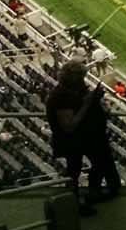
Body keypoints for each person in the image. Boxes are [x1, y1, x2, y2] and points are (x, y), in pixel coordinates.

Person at [47, 59, 118, 216]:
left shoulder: (73, 91)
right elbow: (69, 125)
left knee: (95, 165)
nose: (83, 81)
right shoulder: (60, 96)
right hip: (74, 141)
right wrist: (88, 103)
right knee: (74, 172)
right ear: (73, 79)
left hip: (86, 138)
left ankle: (90, 195)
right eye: (81, 78)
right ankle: (77, 203)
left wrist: (94, 99)